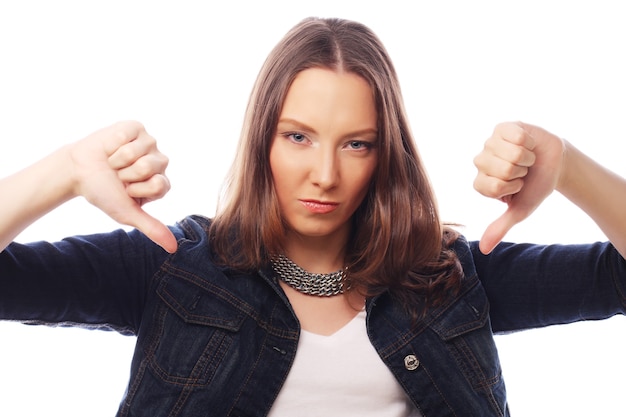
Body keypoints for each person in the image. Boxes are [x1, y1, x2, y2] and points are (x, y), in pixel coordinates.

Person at [0, 17, 624, 417]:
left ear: (386, 155)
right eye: (298, 136)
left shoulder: (450, 279)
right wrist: (66, 171)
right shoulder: (171, 267)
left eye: (357, 143)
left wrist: (567, 166)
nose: (325, 173)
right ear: (261, 141)